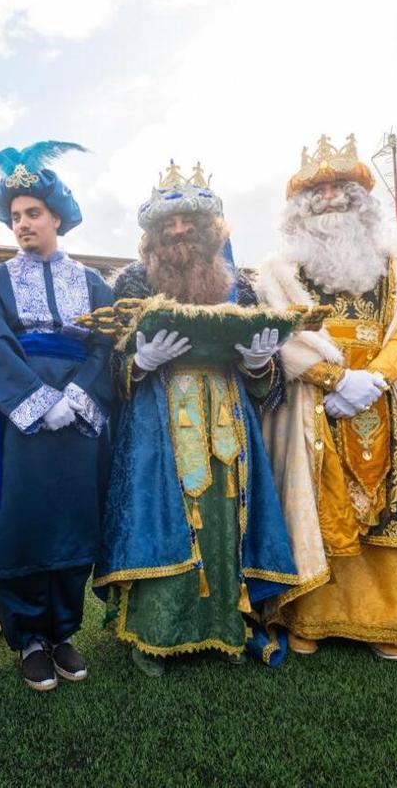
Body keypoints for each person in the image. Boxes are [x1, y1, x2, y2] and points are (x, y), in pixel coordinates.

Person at [93, 161, 297, 675]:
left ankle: (234, 622)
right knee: (159, 516)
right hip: (155, 422)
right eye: (169, 226)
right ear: (153, 236)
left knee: (230, 513)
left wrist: (257, 363)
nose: (180, 232)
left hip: (228, 412)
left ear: (211, 230)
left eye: (190, 223)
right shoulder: (132, 282)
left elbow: (265, 375)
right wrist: (139, 361)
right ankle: (154, 631)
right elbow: (109, 364)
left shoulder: (239, 285)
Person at [257, 134, 397, 663]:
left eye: (341, 187)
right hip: (311, 406)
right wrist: (334, 381)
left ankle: (390, 620)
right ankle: (309, 616)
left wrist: (373, 380)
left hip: (381, 403)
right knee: (312, 506)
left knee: (385, 508)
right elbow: (281, 337)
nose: (332, 198)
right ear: (299, 205)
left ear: (361, 198)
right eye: (319, 190)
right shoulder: (280, 272)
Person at [0, 142, 114, 691]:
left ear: (57, 216)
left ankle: (63, 632)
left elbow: (106, 346)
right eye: (15, 217)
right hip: (18, 423)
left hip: (78, 422)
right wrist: (38, 402)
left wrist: (75, 399)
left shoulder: (96, 283)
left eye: (33, 213)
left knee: (74, 518)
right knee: (21, 522)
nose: (23, 224)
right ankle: (28, 638)